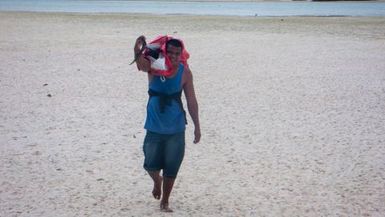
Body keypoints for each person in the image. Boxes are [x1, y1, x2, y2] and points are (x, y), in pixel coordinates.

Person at [133, 35, 201, 212]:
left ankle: (165, 200)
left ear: (181, 54)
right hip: (154, 126)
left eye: (177, 53)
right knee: (150, 164)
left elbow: (191, 100)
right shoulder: (154, 67)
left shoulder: (185, 73)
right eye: (169, 52)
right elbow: (140, 65)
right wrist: (137, 49)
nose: (173, 56)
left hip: (176, 127)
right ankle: (157, 181)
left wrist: (197, 127)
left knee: (172, 166)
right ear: (164, 52)